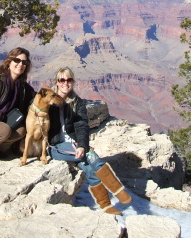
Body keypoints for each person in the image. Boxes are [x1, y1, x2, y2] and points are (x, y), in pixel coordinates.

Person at [47, 67, 132, 215]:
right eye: (62, 80)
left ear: (73, 82)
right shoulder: (48, 100)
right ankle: (117, 191)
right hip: (54, 146)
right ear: (56, 82)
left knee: (88, 166)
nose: (65, 83)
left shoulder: (77, 102)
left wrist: (82, 145)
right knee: (91, 157)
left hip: (72, 144)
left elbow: (81, 126)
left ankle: (106, 205)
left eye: (69, 80)